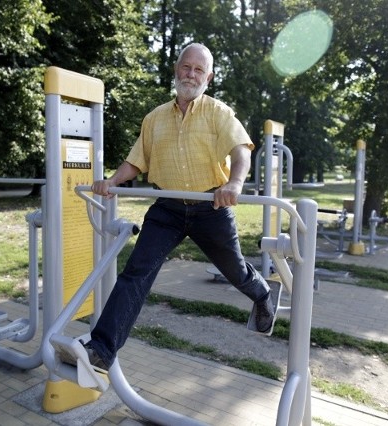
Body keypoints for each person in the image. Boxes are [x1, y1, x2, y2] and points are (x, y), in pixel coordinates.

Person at [74, 43, 276, 371]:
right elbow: (136, 161)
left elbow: (241, 151)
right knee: (136, 272)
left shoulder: (219, 113)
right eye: (186, 67)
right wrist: (111, 181)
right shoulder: (154, 118)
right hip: (167, 208)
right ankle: (102, 349)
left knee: (235, 271)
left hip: (210, 205)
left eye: (199, 70)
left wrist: (235, 183)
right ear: (176, 69)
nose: (191, 74)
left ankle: (262, 294)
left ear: (208, 77)